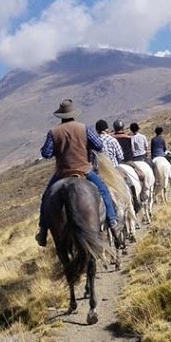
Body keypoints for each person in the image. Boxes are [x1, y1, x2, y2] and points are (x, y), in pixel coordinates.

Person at [35, 99, 122, 247]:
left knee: (46, 197)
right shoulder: (84, 128)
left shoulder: (54, 132)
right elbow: (99, 145)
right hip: (84, 170)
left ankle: (43, 231)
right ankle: (113, 222)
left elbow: (46, 153)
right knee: (104, 191)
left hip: (62, 173)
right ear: (74, 114)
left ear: (61, 116)